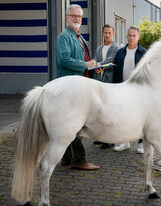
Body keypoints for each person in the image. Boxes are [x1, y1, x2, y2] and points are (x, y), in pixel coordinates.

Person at [55, 4, 99, 170]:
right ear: (67, 18)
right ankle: (79, 160)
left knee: (69, 123)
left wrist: (94, 66)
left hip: (80, 85)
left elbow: (85, 61)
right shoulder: (64, 37)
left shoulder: (80, 37)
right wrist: (86, 64)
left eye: (79, 17)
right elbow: (63, 60)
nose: (77, 19)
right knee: (75, 124)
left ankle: (66, 158)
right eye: (74, 16)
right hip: (69, 87)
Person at [112, 25, 146, 153]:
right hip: (122, 89)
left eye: (134, 36)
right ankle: (124, 142)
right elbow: (115, 71)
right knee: (123, 117)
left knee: (139, 117)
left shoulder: (144, 53)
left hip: (138, 90)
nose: (131, 38)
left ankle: (142, 143)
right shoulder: (120, 52)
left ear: (138, 37)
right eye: (129, 35)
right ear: (127, 36)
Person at [92, 24, 120, 149]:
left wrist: (98, 65)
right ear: (102, 34)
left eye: (109, 33)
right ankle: (101, 137)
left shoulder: (116, 47)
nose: (107, 35)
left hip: (109, 82)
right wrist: (96, 67)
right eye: (105, 33)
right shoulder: (99, 48)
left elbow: (110, 60)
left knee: (109, 111)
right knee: (100, 110)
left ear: (113, 34)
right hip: (99, 81)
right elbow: (95, 60)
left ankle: (110, 140)